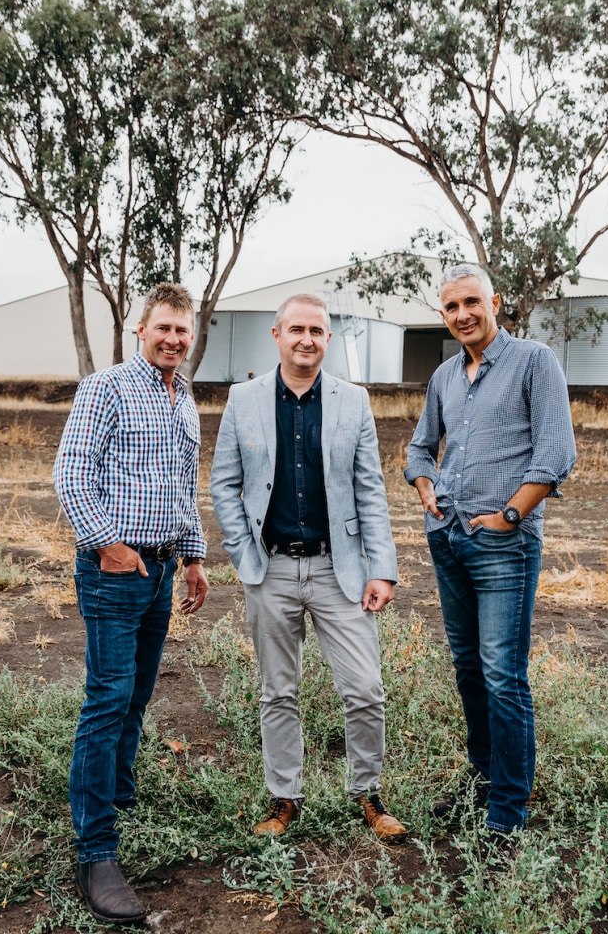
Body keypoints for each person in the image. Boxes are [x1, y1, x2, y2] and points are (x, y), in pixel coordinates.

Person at [210, 293, 406, 843]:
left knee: (366, 689)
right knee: (278, 692)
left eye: (317, 331)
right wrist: (241, 550)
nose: (306, 339)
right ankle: (283, 798)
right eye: (296, 329)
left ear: (327, 338)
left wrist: (381, 568)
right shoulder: (243, 399)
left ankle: (368, 795)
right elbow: (224, 484)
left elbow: (370, 490)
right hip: (268, 568)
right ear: (276, 335)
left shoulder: (354, 401)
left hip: (339, 568)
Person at [405, 263, 576, 854]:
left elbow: (556, 455)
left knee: (504, 675)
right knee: (470, 669)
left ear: (495, 302)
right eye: (452, 308)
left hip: (505, 541)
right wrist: (428, 493)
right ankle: (482, 782)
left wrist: (507, 516)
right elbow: (421, 446)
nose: (462, 316)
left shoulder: (534, 361)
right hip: (449, 537)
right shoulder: (445, 376)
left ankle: (508, 805)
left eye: (472, 303)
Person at [53, 282, 209, 923]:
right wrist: (108, 546)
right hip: (115, 570)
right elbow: (70, 474)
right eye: (163, 328)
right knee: (108, 698)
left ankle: (116, 791)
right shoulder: (107, 388)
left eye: (182, 330)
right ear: (140, 330)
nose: (173, 339)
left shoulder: (184, 397)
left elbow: (181, 485)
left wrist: (194, 555)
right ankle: (95, 851)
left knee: (139, 693)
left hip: (162, 568)